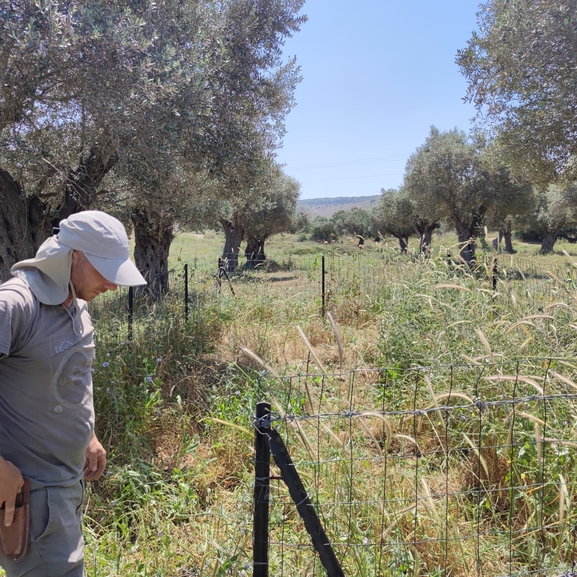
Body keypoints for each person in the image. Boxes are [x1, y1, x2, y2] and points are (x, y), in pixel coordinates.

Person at [0, 211, 146, 576]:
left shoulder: (76, 305)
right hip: (29, 494)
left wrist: (88, 434)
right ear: (74, 256)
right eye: (105, 271)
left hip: (64, 487)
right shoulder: (16, 305)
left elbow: (74, 375)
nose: (113, 286)